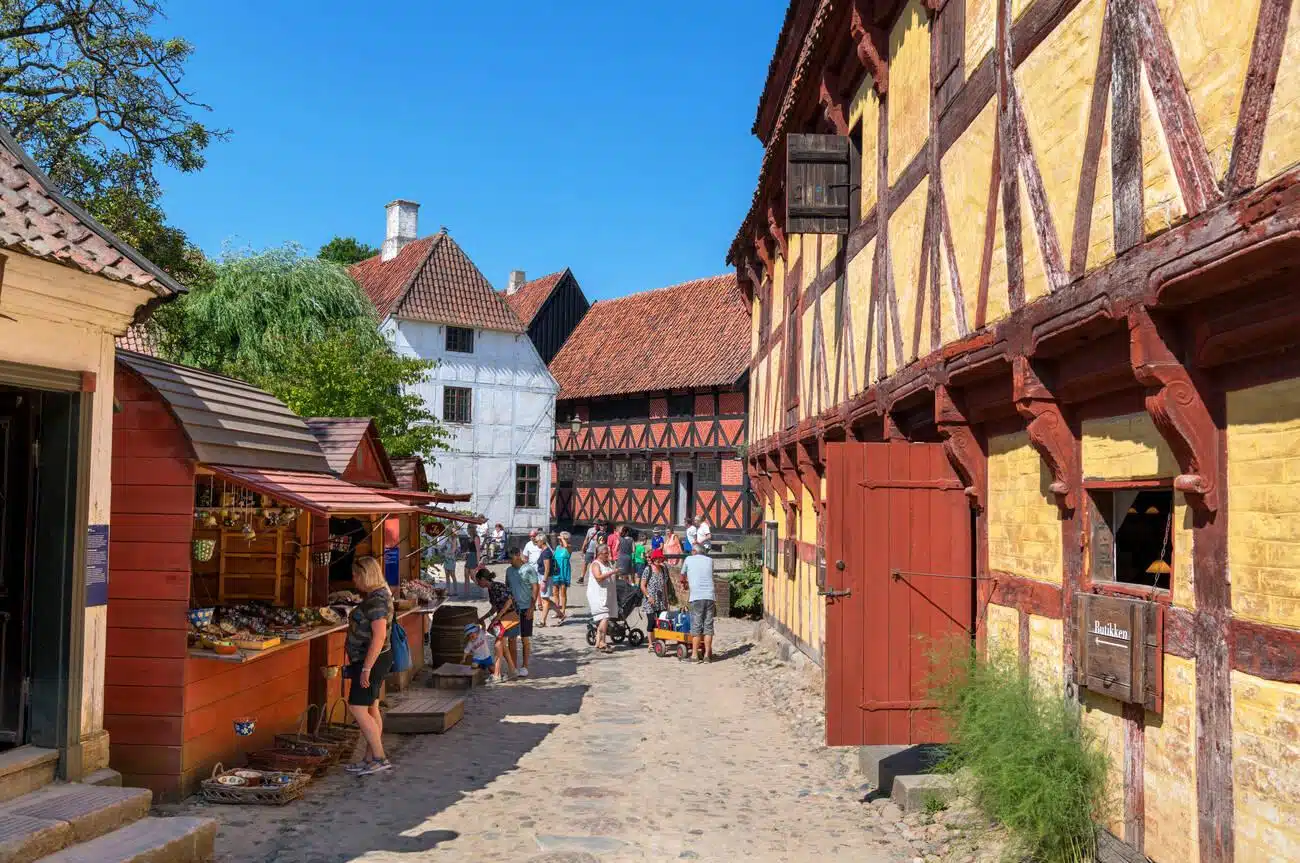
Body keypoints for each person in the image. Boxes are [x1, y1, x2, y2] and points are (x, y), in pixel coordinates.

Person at [344, 556, 395, 775]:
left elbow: (379, 635)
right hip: (376, 658)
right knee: (371, 707)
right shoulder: (381, 594)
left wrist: (366, 668)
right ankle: (369, 758)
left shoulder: (375, 600)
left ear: (366, 575)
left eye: (356, 575)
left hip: (370, 660)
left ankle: (379, 757)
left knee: (357, 707)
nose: (354, 579)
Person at [475, 567, 519, 681]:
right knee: (502, 645)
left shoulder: (496, 586)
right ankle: (513, 670)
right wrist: (483, 618)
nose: (478, 583)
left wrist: (497, 617)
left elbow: (509, 601)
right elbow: (494, 608)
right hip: (504, 617)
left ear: (484, 579)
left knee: (498, 644)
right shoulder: (491, 589)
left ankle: (497, 674)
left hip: (509, 617)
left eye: (478, 581)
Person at [679, 543, 716, 662]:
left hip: (697, 597)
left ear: (694, 551)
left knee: (696, 626)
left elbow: (682, 576)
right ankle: (707, 656)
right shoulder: (710, 560)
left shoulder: (689, 559)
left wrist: (684, 583)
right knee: (708, 627)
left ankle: (694, 655)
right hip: (710, 596)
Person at [506, 547, 537, 678]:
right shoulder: (509, 570)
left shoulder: (528, 569)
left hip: (526, 607)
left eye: (511, 558)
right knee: (511, 639)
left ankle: (525, 666)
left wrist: (531, 607)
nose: (510, 561)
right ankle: (513, 666)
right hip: (513, 608)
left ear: (518, 555)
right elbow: (507, 587)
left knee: (525, 638)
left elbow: (535, 587)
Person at [585, 545, 617, 653]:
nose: (608, 555)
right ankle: (602, 642)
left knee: (602, 619)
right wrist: (611, 572)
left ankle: (598, 642)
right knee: (605, 617)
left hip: (607, 595)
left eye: (608, 553)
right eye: (606, 553)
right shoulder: (595, 564)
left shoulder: (607, 563)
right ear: (599, 554)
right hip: (597, 595)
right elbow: (598, 577)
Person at [640, 548, 670, 652]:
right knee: (651, 622)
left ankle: (661, 642)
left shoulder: (663, 569)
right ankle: (650, 643)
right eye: (656, 558)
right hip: (650, 600)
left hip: (660, 600)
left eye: (660, 558)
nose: (658, 560)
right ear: (653, 559)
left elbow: (665, 586)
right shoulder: (648, 569)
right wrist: (648, 596)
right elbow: (642, 586)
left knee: (662, 622)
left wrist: (667, 600)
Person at [545, 532, 571, 626]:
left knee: (563, 592)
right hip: (556, 571)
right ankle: (557, 611)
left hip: (564, 571)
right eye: (559, 540)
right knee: (555, 592)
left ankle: (563, 610)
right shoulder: (557, 548)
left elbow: (566, 547)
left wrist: (563, 538)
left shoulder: (568, 548)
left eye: (561, 539)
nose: (559, 541)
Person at [536, 533, 557, 626]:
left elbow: (547, 568)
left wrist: (544, 581)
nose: (536, 543)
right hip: (543, 576)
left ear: (541, 541)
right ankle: (561, 614)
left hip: (546, 577)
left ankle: (542, 621)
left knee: (545, 599)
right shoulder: (544, 551)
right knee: (546, 598)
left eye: (537, 541)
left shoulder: (546, 552)